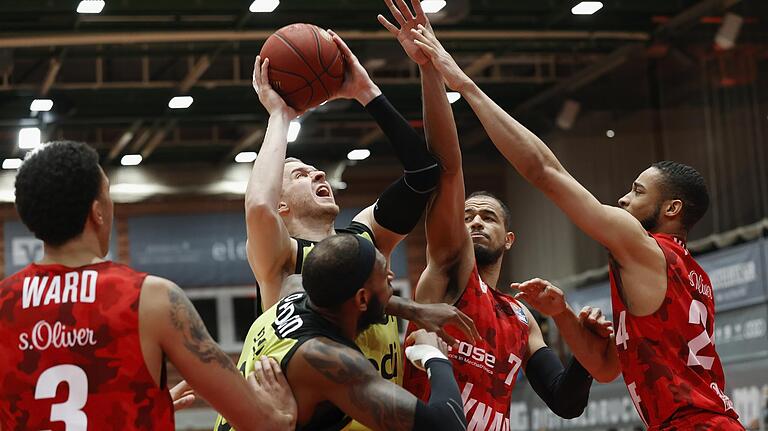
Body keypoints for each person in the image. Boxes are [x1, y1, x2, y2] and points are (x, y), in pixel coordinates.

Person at [410, 16, 744, 430]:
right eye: (468, 215)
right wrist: (565, 315)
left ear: (671, 210)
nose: (623, 199)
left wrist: (464, 83)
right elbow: (605, 368)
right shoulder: (696, 279)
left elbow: (545, 172)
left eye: (638, 192)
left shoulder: (639, 246)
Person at [378, 1, 621, 429]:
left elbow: (566, 401)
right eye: (468, 215)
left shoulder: (521, 317)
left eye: (487, 217)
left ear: (509, 239)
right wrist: (430, 69)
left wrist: (584, 351)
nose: (473, 221)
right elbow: (447, 171)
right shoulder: (451, 275)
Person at [245, 28, 479, 405]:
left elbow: (423, 174)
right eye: (300, 175)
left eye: (315, 170)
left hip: (383, 415)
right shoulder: (279, 259)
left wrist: (366, 92)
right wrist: (279, 116)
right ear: (281, 206)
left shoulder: (365, 238)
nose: (318, 174)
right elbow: (258, 206)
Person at [0, 141, 296, 431]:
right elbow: (263, 424)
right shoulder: (152, 299)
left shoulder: (4, 304)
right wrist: (283, 411)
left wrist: (139, 407)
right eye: (108, 195)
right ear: (97, 211)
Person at [214, 235, 468, 431]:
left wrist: (414, 310)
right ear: (361, 299)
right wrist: (434, 356)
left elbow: (305, 280)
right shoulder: (326, 360)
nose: (391, 275)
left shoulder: (293, 293)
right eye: (384, 277)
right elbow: (447, 425)